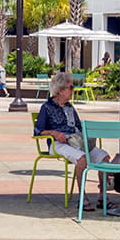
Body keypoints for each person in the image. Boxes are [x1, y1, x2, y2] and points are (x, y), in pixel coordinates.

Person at [34, 71, 109, 211]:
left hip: (76, 142)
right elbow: (38, 131)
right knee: (82, 159)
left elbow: (79, 126)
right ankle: (82, 197)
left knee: (104, 157)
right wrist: (54, 133)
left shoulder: (69, 107)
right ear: (61, 90)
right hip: (59, 144)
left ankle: (103, 196)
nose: (73, 91)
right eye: (71, 87)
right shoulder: (46, 107)